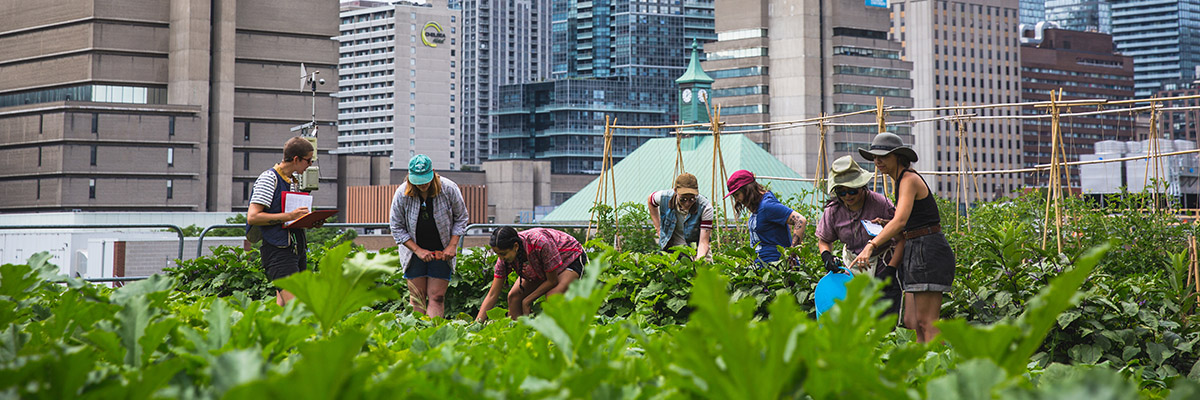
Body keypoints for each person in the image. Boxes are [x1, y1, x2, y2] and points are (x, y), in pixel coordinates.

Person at [854, 132, 956, 343]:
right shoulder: (899, 182)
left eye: (883, 156)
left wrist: (871, 245)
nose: (877, 161)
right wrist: (885, 225)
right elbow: (906, 223)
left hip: (927, 249)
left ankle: (942, 366)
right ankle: (921, 369)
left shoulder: (908, 179)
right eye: (874, 157)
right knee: (911, 321)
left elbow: (900, 221)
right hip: (914, 247)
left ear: (898, 157)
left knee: (927, 321)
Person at [815, 156, 902, 317]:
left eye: (852, 190)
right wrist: (826, 256)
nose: (848, 196)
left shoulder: (880, 204)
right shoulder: (833, 211)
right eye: (842, 192)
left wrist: (891, 269)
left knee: (884, 324)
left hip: (883, 267)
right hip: (852, 270)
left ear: (862, 186)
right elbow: (824, 240)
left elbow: (902, 238)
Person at [247, 136, 324, 307]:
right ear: (296, 159)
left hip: (295, 249)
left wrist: (309, 221)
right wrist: (290, 216)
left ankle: (274, 334)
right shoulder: (269, 178)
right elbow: (253, 217)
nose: (310, 165)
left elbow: (289, 218)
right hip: (278, 251)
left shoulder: (292, 182)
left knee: (282, 305)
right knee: (297, 307)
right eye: (308, 160)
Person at [389, 154, 469, 318]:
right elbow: (396, 227)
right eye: (418, 181)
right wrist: (417, 250)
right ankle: (416, 332)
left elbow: (461, 218)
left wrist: (452, 245)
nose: (423, 185)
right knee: (417, 299)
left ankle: (433, 332)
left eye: (425, 180)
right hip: (413, 251)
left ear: (432, 173)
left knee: (437, 297)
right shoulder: (401, 193)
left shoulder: (449, 189)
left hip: (442, 249)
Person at [476, 227, 585, 321]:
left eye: (503, 254)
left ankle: (554, 339)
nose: (501, 258)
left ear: (515, 246)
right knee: (514, 297)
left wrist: (527, 300)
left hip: (570, 257)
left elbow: (552, 281)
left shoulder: (540, 242)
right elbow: (492, 294)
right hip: (544, 266)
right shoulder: (503, 259)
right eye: (498, 254)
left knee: (553, 296)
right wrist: (477, 324)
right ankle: (518, 336)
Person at [724, 169, 808, 265]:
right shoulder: (758, 207)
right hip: (762, 265)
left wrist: (792, 254)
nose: (737, 200)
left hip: (775, 268)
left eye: (737, 195)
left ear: (747, 190)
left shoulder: (767, 206)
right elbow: (785, 222)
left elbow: (800, 220)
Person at [647, 172, 714, 261]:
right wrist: (658, 228)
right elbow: (650, 200)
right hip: (671, 248)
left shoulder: (705, 207)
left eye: (692, 199)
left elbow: (703, 242)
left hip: (696, 249)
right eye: (683, 199)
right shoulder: (664, 197)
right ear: (675, 191)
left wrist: (698, 261)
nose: (687, 203)